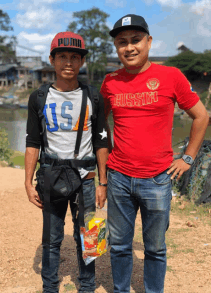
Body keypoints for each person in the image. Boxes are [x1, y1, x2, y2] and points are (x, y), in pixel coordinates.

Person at [100, 14, 209, 293]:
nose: (129, 47)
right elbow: (99, 127)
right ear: (116, 47)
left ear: (149, 42)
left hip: (158, 179)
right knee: (120, 246)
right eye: (122, 42)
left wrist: (187, 158)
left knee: (156, 248)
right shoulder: (110, 82)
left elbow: (201, 116)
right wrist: (102, 171)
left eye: (136, 40)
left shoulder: (170, 76)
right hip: (119, 178)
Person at [25, 31, 108, 293]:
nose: (69, 62)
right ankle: (49, 287)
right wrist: (27, 182)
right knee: (51, 238)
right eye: (62, 56)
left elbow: (102, 142)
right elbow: (32, 142)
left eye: (75, 57)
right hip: (51, 175)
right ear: (52, 60)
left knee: (91, 236)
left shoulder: (94, 97)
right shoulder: (38, 97)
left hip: (86, 178)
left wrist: (103, 182)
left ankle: (88, 286)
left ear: (82, 61)